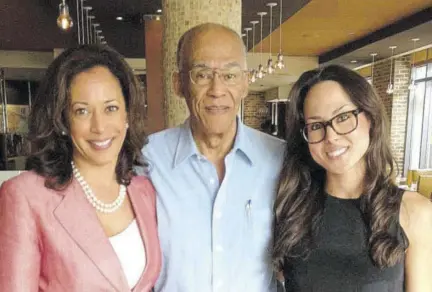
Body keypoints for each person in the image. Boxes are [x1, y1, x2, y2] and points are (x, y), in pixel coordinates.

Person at [0, 45, 161, 291]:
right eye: (82, 111)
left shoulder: (144, 190)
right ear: (62, 119)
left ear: (127, 115)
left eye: (111, 108)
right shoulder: (25, 195)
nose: (99, 126)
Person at [141, 23, 285, 292]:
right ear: (178, 84)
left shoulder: (279, 159)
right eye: (202, 74)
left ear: (244, 83)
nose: (217, 89)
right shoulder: (147, 161)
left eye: (230, 75)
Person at [273, 65, 432, 291]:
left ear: (370, 117)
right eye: (316, 126)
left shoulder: (414, 212)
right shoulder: (292, 207)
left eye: (343, 117)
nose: (331, 136)